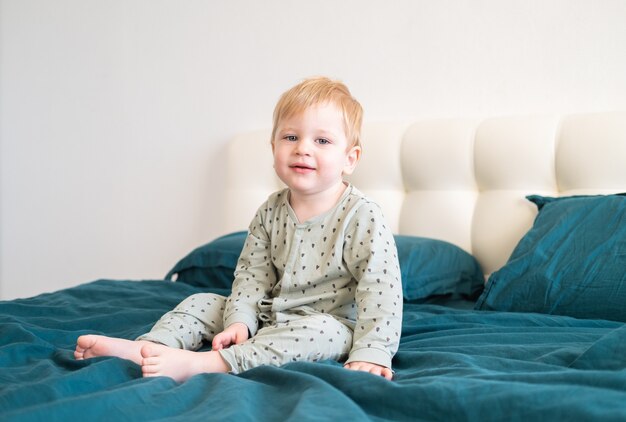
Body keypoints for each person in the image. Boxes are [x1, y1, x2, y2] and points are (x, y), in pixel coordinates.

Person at [75, 76, 403, 382]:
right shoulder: (270, 210)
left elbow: (381, 288)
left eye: (322, 140)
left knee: (325, 333)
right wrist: (239, 321)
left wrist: (373, 350)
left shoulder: (362, 216)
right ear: (273, 146)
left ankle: (208, 363)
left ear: (350, 158)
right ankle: (151, 346)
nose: (303, 148)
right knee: (200, 301)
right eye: (291, 137)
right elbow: (252, 277)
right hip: (266, 314)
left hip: (325, 323)